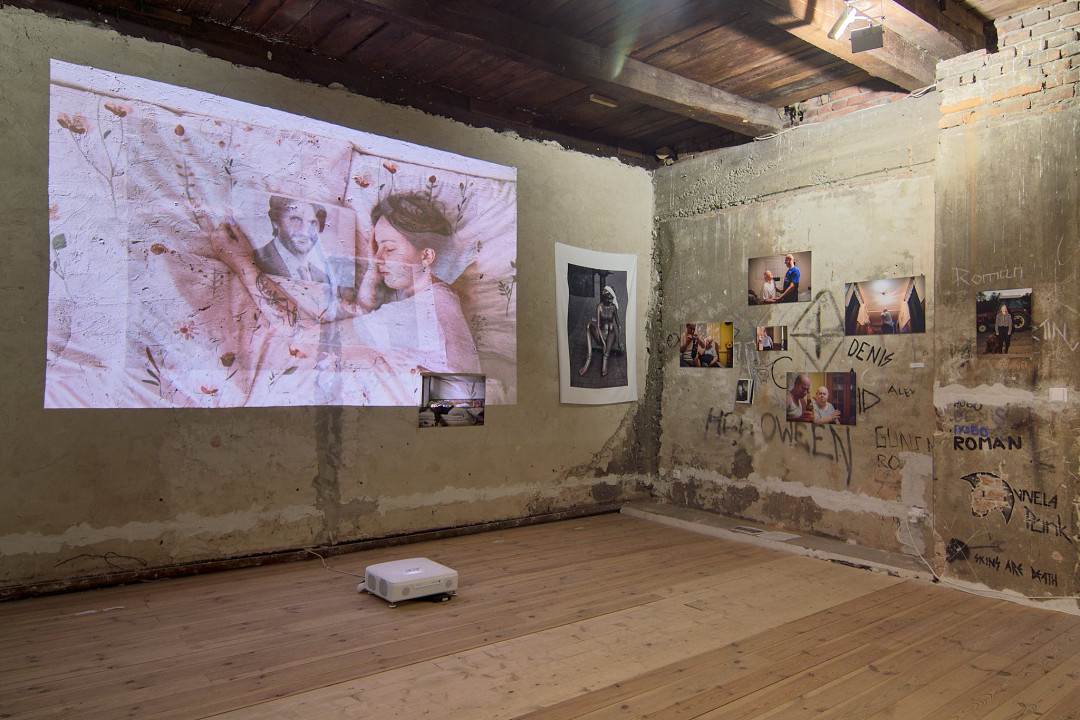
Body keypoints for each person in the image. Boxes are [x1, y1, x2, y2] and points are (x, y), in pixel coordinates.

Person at [579, 285, 621, 376]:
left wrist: (619, 341)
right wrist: (604, 343)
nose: (606, 299)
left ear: (610, 297)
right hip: (601, 335)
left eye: (607, 298)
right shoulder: (599, 306)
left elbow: (619, 325)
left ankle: (605, 359)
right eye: (605, 297)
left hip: (610, 336)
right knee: (588, 325)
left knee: (611, 326)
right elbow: (598, 326)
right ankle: (588, 360)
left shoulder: (613, 308)